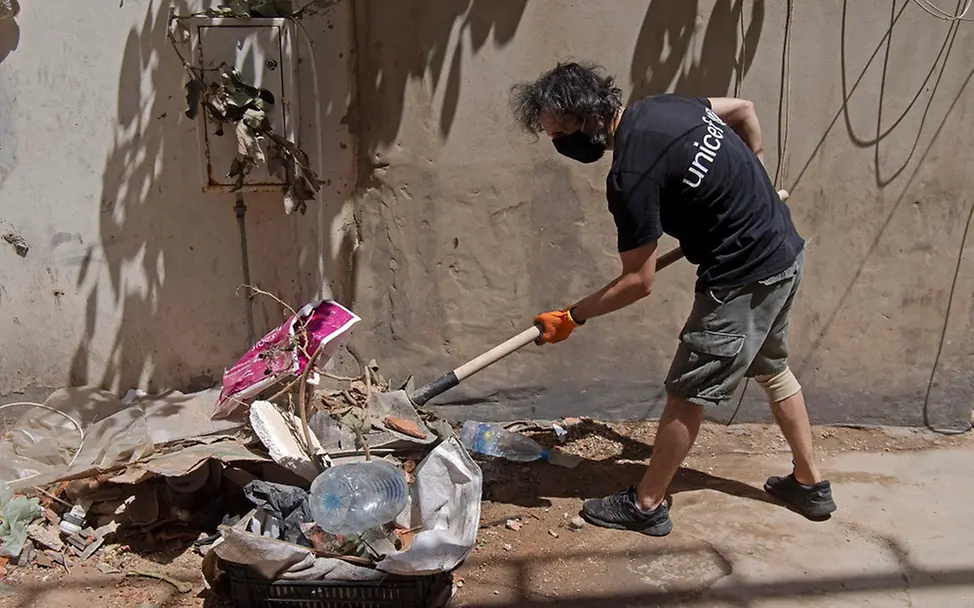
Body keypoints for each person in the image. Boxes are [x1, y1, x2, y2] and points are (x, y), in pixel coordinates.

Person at [509, 61, 837, 536]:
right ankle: (809, 485)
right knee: (769, 366)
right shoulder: (664, 106)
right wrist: (757, 171)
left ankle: (646, 504)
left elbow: (638, 281)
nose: (559, 144)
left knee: (687, 391)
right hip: (783, 252)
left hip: (743, 275)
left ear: (586, 120)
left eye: (559, 132)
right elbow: (743, 110)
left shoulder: (631, 176)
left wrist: (571, 317)